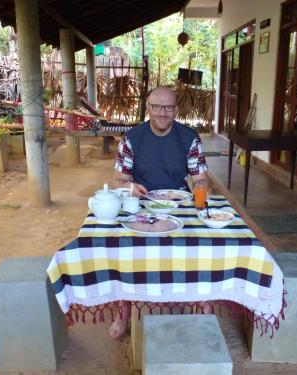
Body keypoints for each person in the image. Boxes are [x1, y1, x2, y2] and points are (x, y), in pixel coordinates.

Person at [108, 87, 209, 339]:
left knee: (201, 247)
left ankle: (202, 307)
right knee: (126, 253)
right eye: (157, 107)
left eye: (169, 107)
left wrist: (198, 194)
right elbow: (119, 180)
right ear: (148, 108)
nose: (163, 113)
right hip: (141, 203)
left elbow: (201, 179)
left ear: (176, 109)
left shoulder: (189, 137)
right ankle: (123, 312)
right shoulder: (132, 138)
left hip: (179, 204)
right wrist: (130, 188)